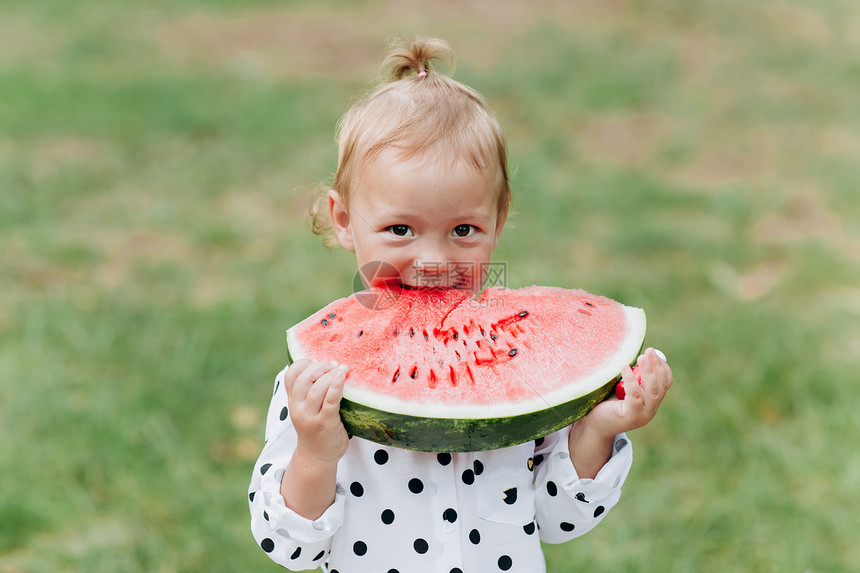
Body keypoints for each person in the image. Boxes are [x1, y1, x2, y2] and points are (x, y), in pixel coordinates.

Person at [248, 37, 673, 573]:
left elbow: (555, 517)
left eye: (463, 230)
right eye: (400, 229)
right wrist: (314, 450)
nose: (432, 260)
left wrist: (599, 428)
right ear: (342, 219)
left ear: (499, 218)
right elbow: (289, 546)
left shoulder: (524, 374)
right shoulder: (316, 385)